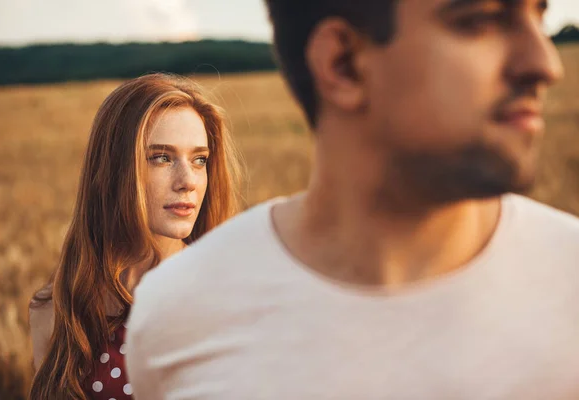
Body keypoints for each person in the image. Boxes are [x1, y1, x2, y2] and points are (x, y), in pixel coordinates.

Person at [126, 1, 579, 398]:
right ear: (343, 63)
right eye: (480, 20)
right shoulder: (179, 313)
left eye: (540, 14)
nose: (544, 63)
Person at [28, 73, 242, 399]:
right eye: (162, 157)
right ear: (115, 170)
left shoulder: (228, 295)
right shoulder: (59, 310)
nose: (188, 181)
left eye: (200, 160)